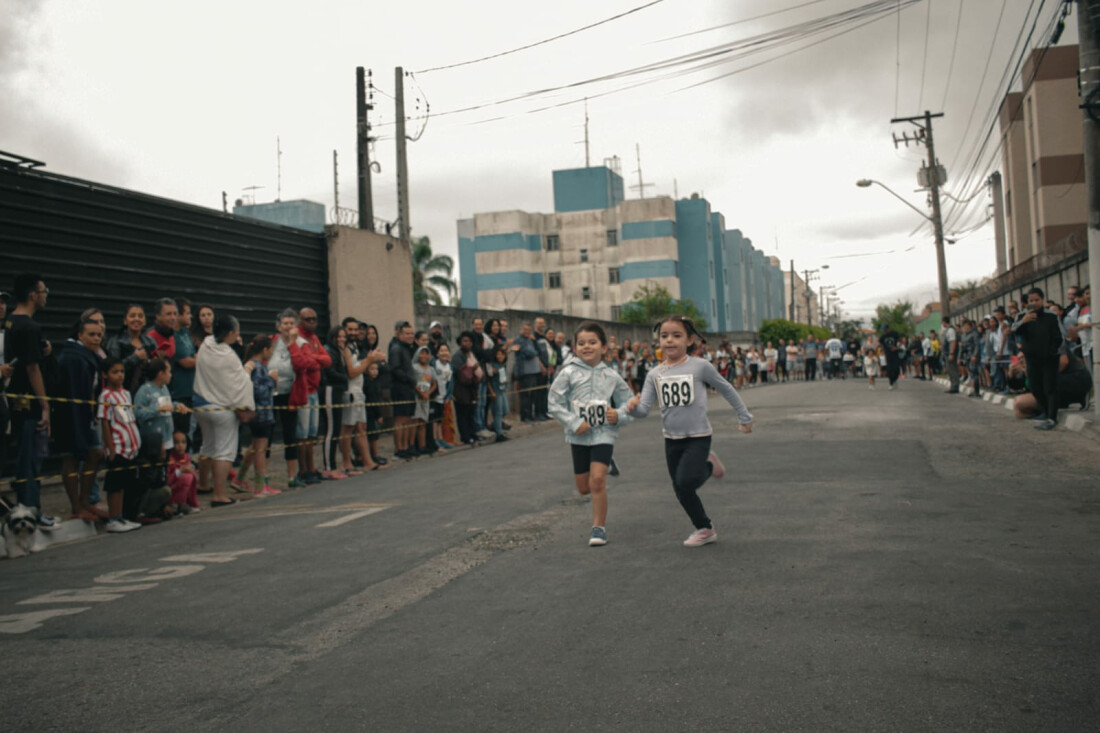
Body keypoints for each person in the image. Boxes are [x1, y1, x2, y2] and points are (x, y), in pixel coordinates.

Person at [626, 315, 754, 547]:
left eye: (677, 335)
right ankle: (704, 528)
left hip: (698, 436)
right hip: (671, 439)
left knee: (685, 482)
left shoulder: (700, 366)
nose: (670, 341)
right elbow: (644, 410)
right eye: (664, 336)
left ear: (690, 340)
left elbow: (726, 388)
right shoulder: (655, 374)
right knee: (680, 489)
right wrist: (632, 408)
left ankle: (707, 465)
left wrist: (745, 416)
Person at [547, 322, 634, 547]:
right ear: (575, 348)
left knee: (597, 481)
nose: (587, 346)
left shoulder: (612, 376)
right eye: (581, 343)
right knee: (584, 488)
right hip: (578, 436)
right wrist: (574, 423)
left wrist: (619, 414)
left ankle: (599, 528)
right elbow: (553, 403)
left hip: (604, 433)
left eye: (592, 342)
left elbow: (629, 402)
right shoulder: (567, 373)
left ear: (604, 347)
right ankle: (607, 464)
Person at [4, 273, 57, 529]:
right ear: (32, 294)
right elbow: (32, 369)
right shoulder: (29, 326)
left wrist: (43, 350)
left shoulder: (10, 323)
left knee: (26, 457)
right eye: (44, 290)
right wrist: (45, 404)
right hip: (30, 404)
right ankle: (32, 510)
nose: (46, 294)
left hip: (14, 401)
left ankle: (29, 507)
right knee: (32, 458)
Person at [193, 314, 255, 505]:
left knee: (208, 446)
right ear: (229, 333)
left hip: (201, 404)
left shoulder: (206, 344)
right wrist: (249, 368)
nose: (238, 335)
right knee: (224, 451)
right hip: (222, 409)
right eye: (236, 332)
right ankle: (219, 494)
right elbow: (240, 383)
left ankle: (203, 483)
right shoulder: (228, 356)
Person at [55, 318, 106, 522]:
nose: (96, 338)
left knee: (94, 454)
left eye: (99, 335)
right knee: (71, 458)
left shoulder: (88, 357)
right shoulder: (74, 358)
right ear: (80, 335)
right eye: (91, 335)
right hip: (70, 417)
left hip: (85, 416)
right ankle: (77, 506)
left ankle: (85, 501)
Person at [97, 358, 143, 533]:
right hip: (118, 445)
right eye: (115, 372)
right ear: (105, 374)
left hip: (131, 446)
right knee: (115, 484)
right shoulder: (106, 396)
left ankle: (122, 516)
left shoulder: (125, 393)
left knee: (125, 482)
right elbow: (105, 422)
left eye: (122, 372)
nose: (120, 376)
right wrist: (110, 447)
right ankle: (114, 517)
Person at [1012, 287, 1066, 430]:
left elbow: (1060, 335)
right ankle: (1046, 412)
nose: (1034, 303)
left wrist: (1053, 350)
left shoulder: (1051, 316)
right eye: (1031, 300)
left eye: (1037, 300)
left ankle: (1052, 417)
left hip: (1049, 358)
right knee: (1035, 387)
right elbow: (1013, 331)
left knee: (1050, 387)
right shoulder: (1021, 317)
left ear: (1042, 300)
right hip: (1031, 358)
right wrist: (1023, 321)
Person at [288, 307, 332, 481]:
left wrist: (314, 359)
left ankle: (312, 468)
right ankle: (304, 470)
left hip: (315, 390)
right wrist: (315, 360)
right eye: (308, 319)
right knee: (303, 433)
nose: (312, 322)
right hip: (303, 390)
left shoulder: (313, 338)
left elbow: (327, 359)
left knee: (312, 433)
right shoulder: (297, 338)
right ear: (300, 319)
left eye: (314, 319)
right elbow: (302, 363)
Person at [237, 335, 281, 495]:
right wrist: (271, 380)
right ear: (265, 350)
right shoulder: (256, 367)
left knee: (255, 446)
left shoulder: (259, 366)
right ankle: (259, 485)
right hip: (261, 413)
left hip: (265, 412)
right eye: (271, 349)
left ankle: (239, 478)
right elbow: (256, 390)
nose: (272, 353)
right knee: (261, 449)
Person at [267, 309, 302, 488]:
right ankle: (263, 478)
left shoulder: (300, 343)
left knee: (290, 434)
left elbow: (300, 364)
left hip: (291, 393)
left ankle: (291, 476)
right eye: (285, 323)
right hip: (271, 393)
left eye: (291, 323)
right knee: (267, 435)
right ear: (278, 326)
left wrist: (293, 344)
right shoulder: (271, 342)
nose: (288, 327)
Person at [134, 357, 187, 470]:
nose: (171, 375)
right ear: (160, 373)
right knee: (153, 468)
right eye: (168, 371)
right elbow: (138, 413)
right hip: (153, 439)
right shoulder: (144, 390)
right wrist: (157, 409)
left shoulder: (164, 388)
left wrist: (176, 405)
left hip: (167, 436)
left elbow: (167, 404)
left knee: (164, 466)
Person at [1012, 344, 1091, 420]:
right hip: (1058, 384)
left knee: (1021, 402)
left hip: (1075, 378)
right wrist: (1012, 375)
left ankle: (1079, 397)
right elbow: (1020, 385)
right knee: (1019, 408)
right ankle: (1048, 407)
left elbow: (1063, 362)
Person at [105, 304, 157, 395]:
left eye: (140, 316)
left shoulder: (150, 342)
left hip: (147, 393)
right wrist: (135, 357)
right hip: (122, 392)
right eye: (132, 316)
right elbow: (112, 368)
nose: (136, 319)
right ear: (125, 321)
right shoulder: (116, 341)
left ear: (144, 321)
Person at [319, 325, 350, 481]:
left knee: (336, 430)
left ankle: (332, 465)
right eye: (339, 336)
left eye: (344, 336)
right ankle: (328, 468)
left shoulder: (338, 351)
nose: (342, 339)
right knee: (331, 430)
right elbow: (330, 372)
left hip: (337, 390)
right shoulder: (329, 351)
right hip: (330, 390)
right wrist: (346, 377)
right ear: (333, 337)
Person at [388, 320, 418, 459]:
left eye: (411, 333)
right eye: (407, 333)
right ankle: (399, 448)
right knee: (400, 419)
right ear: (399, 334)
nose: (410, 336)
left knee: (407, 419)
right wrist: (408, 379)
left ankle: (406, 446)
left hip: (408, 388)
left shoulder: (407, 348)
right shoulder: (396, 348)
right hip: (400, 388)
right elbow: (395, 369)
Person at [170, 298, 198, 435]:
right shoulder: (173, 336)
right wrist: (197, 360)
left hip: (190, 392)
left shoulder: (185, 333)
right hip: (178, 393)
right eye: (187, 313)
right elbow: (187, 362)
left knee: (189, 432)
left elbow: (194, 357)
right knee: (180, 433)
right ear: (179, 315)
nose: (190, 316)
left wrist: (196, 359)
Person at [452, 331, 484, 446]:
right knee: (463, 414)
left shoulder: (471, 354)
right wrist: (473, 371)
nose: (467, 343)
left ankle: (473, 434)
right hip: (461, 389)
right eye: (464, 341)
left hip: (472, 389)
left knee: (471, 413)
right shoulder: (457, 356)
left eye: (469, 341)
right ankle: (465, 437)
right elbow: (461, 373)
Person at [167, 431, 200, 515]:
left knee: (192, 475)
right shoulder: (170, 459)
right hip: (171, 490)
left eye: (183, 442)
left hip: (182, 488)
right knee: (187, 477)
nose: (180, 445)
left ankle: (189, 503)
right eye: (176, 442)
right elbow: (167, 480)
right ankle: (177, 504)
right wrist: (180, 471)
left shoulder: (186, 457)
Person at [412, 345, 437, 454]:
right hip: (416, 397)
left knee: (423, 422)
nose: (424, 356)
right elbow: (412, 382)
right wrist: (420, 393)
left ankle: (422, 446)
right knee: (415, 422)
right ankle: (412, 445)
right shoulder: (414, 367)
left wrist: (428, 393)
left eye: (426, 353)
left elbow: (434, 384)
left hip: (426, 398)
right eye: (422, 353)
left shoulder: (431, 369)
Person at [514, 322, 540, 422]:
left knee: (532, 395)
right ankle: (525, 416)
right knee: (526, 395)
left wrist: (533, 349)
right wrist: (533, 352)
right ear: (521, 330)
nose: (527, 332)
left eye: (528, 330)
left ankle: (530, 414)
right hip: (525, 371)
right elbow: (529, 352)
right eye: (525, 330)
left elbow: (537, 351)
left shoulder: (530, 340)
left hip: (533, 371)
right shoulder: (519, 340)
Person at [432, 344, 456, 450]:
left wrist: (449, 395)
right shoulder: (434, 364)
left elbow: (450, 382)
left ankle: (441, 439)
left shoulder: (450, 367)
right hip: (435, 396)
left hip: (444, 395)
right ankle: (435, 439)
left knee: (440, 419)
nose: (444, 353)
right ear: (437, 354)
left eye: (446, 350)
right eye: (441, 351)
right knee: (434, 419)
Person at [941, 318, 960, 393]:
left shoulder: (951, 330)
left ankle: (955, 386)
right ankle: (953, 385)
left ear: (944, 322)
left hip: (950, 353)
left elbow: (953, 342)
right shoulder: (947, 330)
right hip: (947, 353)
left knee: (952, 369)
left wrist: (951, 353)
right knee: (949, 370)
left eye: (942, 323)